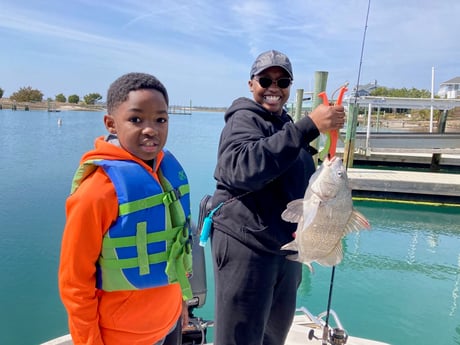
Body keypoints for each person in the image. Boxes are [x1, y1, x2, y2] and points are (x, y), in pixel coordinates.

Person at [209, 50, 345, 345]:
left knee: (273, 337)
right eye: (265, 80)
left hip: (284, 251)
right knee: (240, 338)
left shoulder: (285, 124)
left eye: (282, 81)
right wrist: (308, 126)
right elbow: (240, 167)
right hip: (246, 246)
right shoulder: (243, 119)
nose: (274, 87)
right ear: (251, 84)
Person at [59, 72, 193, 345]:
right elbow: (74, 282)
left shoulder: (164, 175)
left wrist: (181, 304)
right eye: (135, 119)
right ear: (111, 123)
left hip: (169, 325)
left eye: (160, 119)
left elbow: (174, 249)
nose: (150, 129)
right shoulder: (97, 192)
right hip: (122, 337)